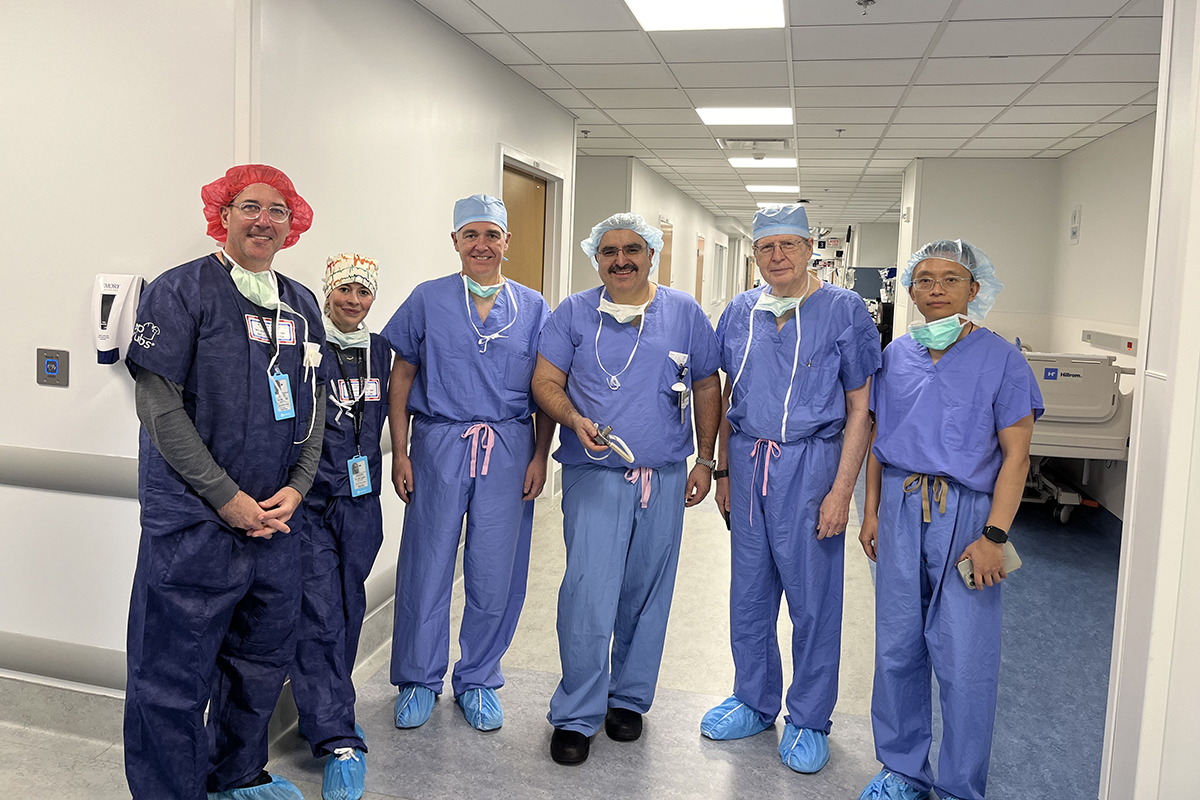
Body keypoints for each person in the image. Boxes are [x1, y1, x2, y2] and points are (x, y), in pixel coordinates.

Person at [123, 164, 323, 800]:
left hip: (275, 522)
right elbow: (159, 408)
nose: (263, 219)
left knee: (258, 668)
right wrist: (225, 498)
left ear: (293, 224)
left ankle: (236, 778)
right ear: (223, 214)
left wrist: (299, 483)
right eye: (249, 206)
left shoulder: (300, 302)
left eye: (277, 210)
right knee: (172, 675)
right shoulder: (181, 292)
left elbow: (314, 404)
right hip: (194, 526)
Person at [532, 212, 722, 766]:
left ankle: (629, 699)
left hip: (662, 476)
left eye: (632, 249)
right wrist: (573, 419)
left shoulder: (684, 313)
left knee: (646, 592)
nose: (621, 260)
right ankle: (576, 712)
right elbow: (545, 381)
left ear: (651, 254)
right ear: (597, 258)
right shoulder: (572, 313)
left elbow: (708, 384)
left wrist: (705, 460)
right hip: (595, 475)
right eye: (609, 250)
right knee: (588, 593)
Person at [856, 240, 1043, 800]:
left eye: (951, 279)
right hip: (898, 504)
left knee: (965, 654)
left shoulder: (1002, 360)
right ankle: (902, 769)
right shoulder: (894, 357)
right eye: (925, 280)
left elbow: (1017, 456)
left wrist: (994, 535)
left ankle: (961, 785)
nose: (936, 290)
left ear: (975, 289)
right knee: (895, 644)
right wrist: (870, 512)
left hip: (967, 515)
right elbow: (876, 443)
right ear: (910, 290)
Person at [702, 204, 880, 774]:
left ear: (810, 250)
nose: (777, 256)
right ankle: (754, 699)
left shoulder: (844, 311)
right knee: (749, 593)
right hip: (750, 462)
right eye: (765, 247)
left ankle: (808, 717)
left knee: (814, 600)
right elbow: (730, 393)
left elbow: (861, 409)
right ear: (755, 255)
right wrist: (726, 471)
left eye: (789, 245)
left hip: (813, 464)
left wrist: (840, 491)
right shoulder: (738, 312)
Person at [382, 194, 554, 733]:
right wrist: (402, 451)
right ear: (455, 241)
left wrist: (539, 456)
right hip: (438, 444)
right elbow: (401, 378)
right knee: (427, 561)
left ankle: (478, 677)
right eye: (470, 235)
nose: (482, 245)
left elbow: (547, 387)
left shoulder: (534, 306)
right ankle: (418, 677)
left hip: (507, 448)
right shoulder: (428, 299)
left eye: (492, 235)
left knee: (494, 566)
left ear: (507, 241)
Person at [289, 253, 389, 800]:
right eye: (345, 291)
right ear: (327, 292)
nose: (353, 301)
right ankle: (335, 737)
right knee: (319, 613)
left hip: (361, 500)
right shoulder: (305, 344)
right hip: (311, 502)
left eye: (363, 292)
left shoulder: (381, 351)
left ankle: (326, 709)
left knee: (349, 608)